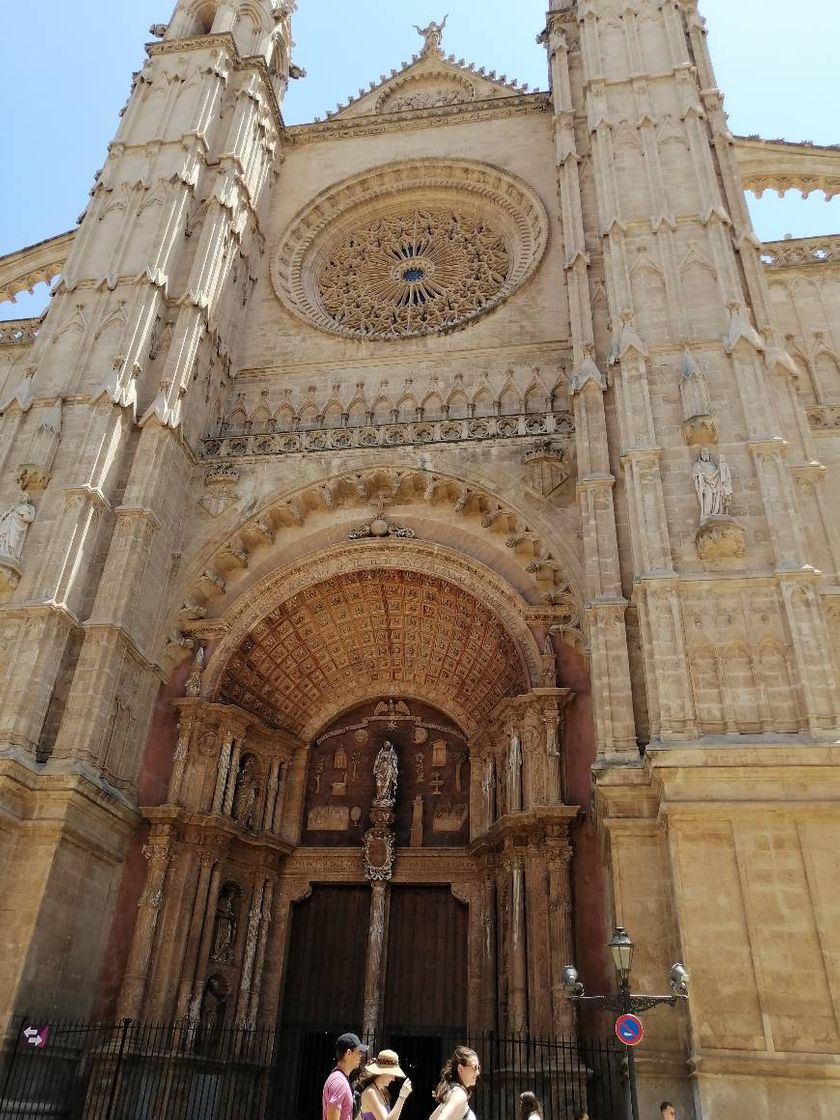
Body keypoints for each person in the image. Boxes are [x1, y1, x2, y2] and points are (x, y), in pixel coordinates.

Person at [323, 1032, 368, 1120]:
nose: (361, 1055)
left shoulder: (342, 1078)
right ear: (348, 1053)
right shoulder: (339, 1081)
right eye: (359, 1051)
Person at [358, 1049, 413, 1120]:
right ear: (383, 1072)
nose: (393, 1079)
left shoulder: (383, 1091)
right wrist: (402, 1097)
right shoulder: (371, 1092)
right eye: (392, 1074)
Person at [430, 1045, 481, 1120]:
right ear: (460, 1069)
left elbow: (432, 1118)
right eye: (475, 1067)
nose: (478, 1072)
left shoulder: (453, 1092)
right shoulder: (459, 1094)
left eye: (478, 1067)